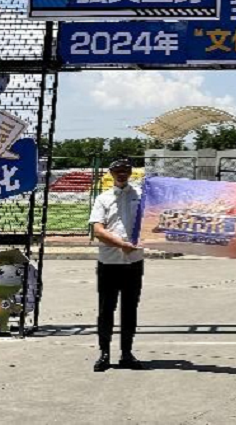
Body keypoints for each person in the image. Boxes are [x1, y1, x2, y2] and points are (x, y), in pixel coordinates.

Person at [88, 158, 144, 372]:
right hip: (110, 261)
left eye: (125, 170)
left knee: (130, 309)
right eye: (118, 170)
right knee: (106, 309)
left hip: (133, 261)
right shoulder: (103, 198)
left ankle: (127, 353)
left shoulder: (141, 196)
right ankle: (104, 353)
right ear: (111, 173)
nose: (122, 173)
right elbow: (98, 231)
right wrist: (122, 244)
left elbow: (152, 221)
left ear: (130, 172)